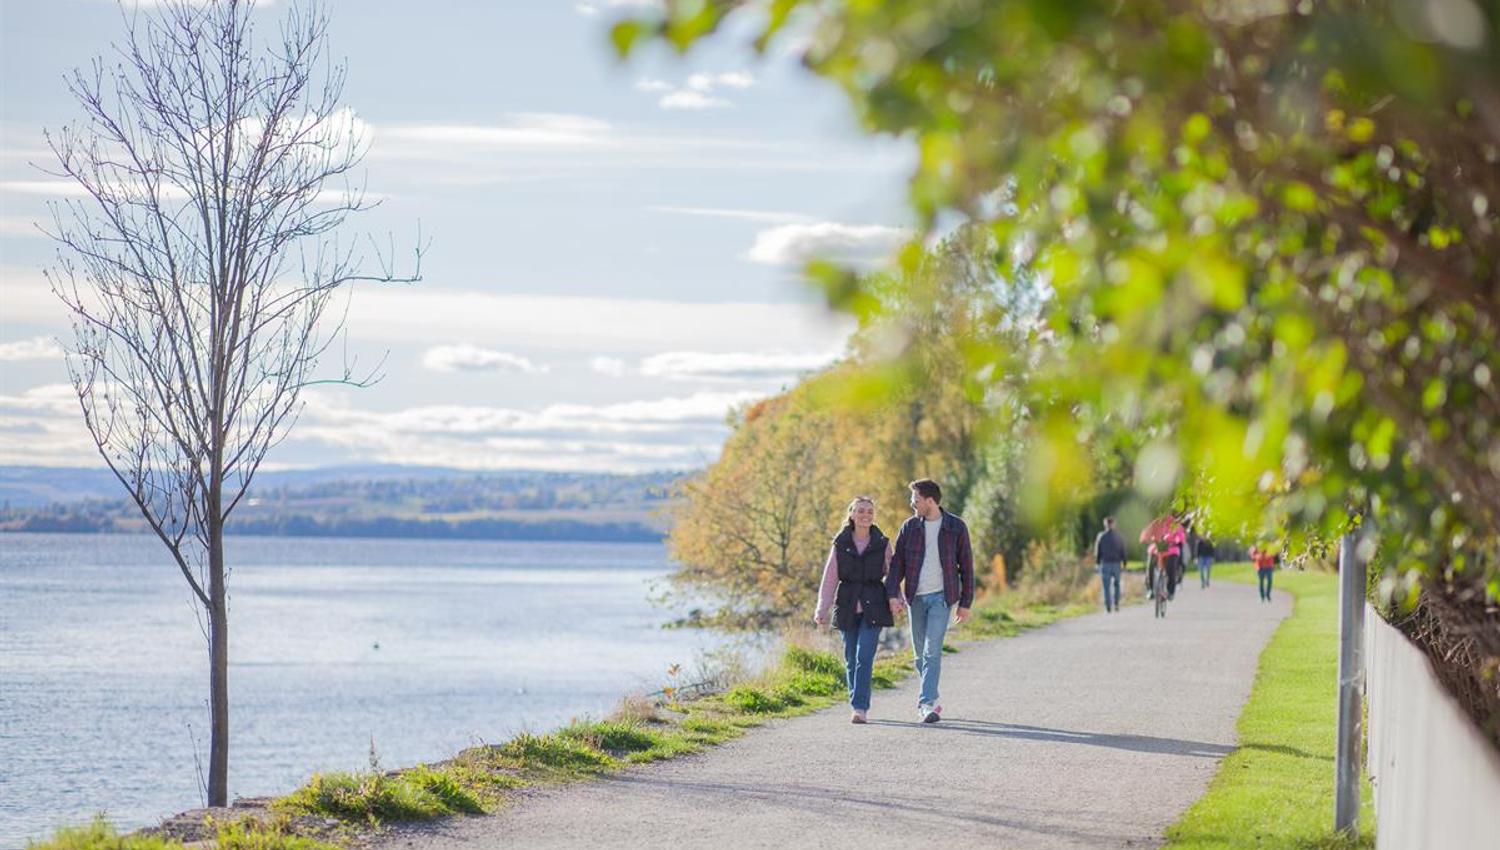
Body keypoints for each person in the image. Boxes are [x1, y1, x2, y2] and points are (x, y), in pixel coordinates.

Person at [885, 479, 974, 724]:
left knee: (932, 650)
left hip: (942, 598)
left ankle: (926, 704)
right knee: (919, 656)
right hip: (916, 597)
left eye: (915, 499)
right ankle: (930, 697)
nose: (912, 504)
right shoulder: (909, 527)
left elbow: (966, 566)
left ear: (929, 500)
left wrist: (965, 603)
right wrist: (893, 593)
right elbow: (897, 565)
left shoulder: (956, 527)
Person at [814, 496, 895, 724]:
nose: (865, 515)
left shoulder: (882, 542)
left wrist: (896, 598)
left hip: (874, 605)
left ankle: (860, 708)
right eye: (860, 511)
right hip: (847, 604)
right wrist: (822, 607)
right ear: (851, 514)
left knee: (864, 656)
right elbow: (830, 577)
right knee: (850, 658)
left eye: (869, 511)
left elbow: (892, 575)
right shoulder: (840, 543)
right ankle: (855, 703)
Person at [1092, 516, 1127, 612]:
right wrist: (1124, 562)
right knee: (1117, 585)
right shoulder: (1119, 536)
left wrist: (1097, 563)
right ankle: (1116, 603)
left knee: (1106, 586)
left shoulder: (1101, 536)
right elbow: (1123, 550)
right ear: (1113, 524)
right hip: (1116, 563)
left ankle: (1108, 606)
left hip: (1105, 563)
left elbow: (1097, 551)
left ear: (1105, 524)